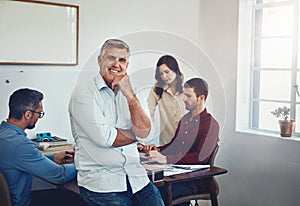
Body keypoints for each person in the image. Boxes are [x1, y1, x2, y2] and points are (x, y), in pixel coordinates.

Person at [68, 39, 164, 206]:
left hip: (137, 179)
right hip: (102, 184)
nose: (116, 64)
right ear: (100, 61)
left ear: (127, 64)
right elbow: (106, 139)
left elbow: (147, 134)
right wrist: (138, 133)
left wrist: (130, 96)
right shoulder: (83, 92)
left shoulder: (133, 90)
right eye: (111, 58)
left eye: (122, 60)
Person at [143, 78, 220, 206]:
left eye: (188, 96)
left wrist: (166, 159)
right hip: (177, 177)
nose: (184, 99)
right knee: (144, 186)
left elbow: (199, 158)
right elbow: (174, 146)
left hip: (195, 181)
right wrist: (157, 150)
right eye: (184, 94)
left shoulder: (211, 125)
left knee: (154, 191)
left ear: (201, 98)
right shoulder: (185, 120)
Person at [0, 88, 78, 206]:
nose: (39, 117)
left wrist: (54, 158)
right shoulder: (20, 144)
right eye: (39, 113)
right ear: (28, 114)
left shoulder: (4, 134)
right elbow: (59, 175)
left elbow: (22, 160)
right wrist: (83, 161)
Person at [147, 55, 186, 145]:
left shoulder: (186, 89)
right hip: (167, 143)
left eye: (167, 72)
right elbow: (149, 112)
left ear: (175, 70)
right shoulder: (157, 90)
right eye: (161, 73)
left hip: (187, 142)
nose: (164, 76)